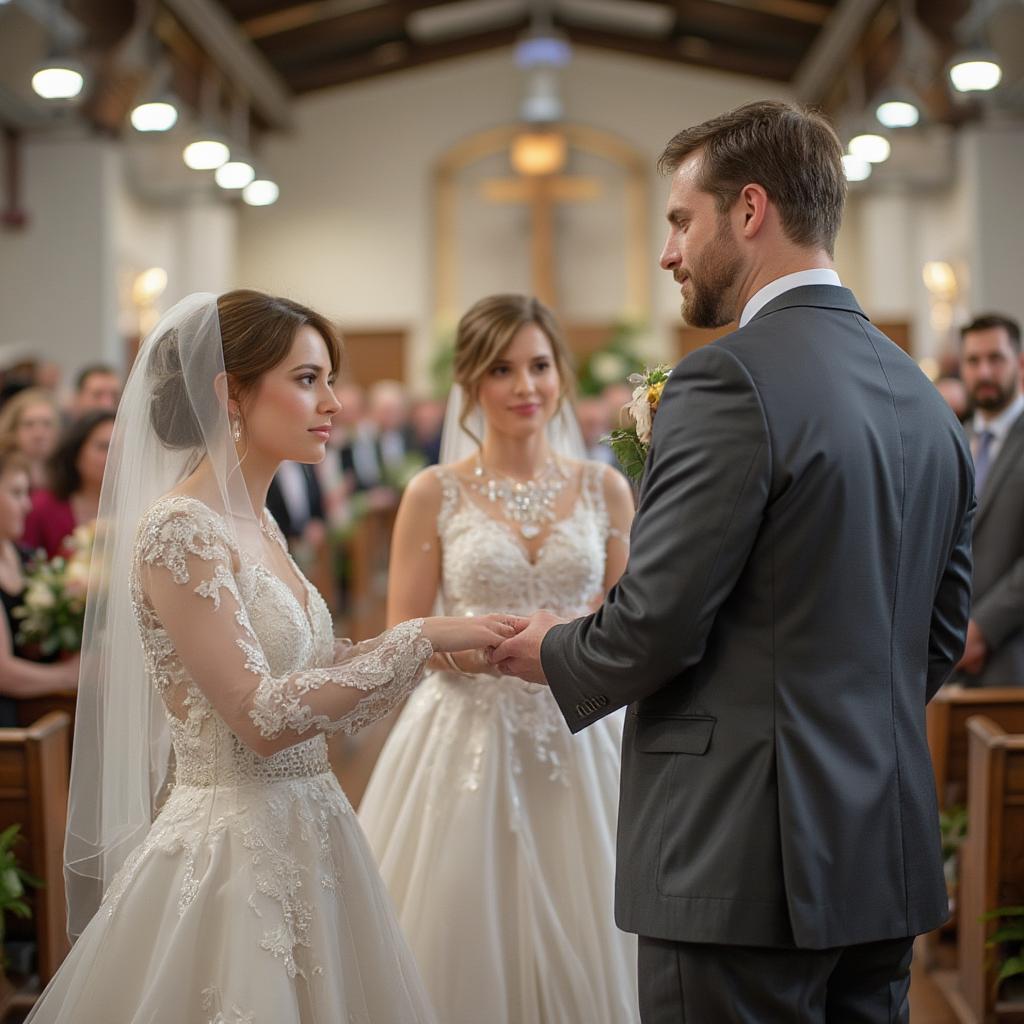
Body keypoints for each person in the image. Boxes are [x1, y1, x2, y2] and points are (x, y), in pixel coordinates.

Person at [492, 100, 974, 1023]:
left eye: (681, 220)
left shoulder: (728, 378)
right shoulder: (922, 397)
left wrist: (553, 649)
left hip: (739, 860)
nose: (669, 253)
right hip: (881, 847)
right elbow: (937, 636)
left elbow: (657, 622)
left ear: (750, 211)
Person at [26, 290, 516, 1024]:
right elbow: (259, 714)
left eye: (329, 379)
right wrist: (420, 637)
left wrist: (437, 642)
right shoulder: (180, 531)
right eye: (308, 379)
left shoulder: (255, 523)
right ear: (231, 393)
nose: (333, 403)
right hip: (234, 847)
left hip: (311, 824)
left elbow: (309, 664)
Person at [358, 294, 638, 1024]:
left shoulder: (605, 487)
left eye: (540, 366)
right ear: (471, 383)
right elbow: (405, 630)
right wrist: (491, 655)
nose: (526, 387)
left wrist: (569, 647)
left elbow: (628, 617)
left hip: (585, 729)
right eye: (503, 369)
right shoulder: (434, 491)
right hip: (464, 729)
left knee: (600, 906)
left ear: (562, 374)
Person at [953, 313, 1024, 686]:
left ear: (1019, 362)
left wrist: (981, 629)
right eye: (973, 361)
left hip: (1011, 657)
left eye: (995, 359)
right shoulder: (954, 440)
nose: (983, 372)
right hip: (947, 659)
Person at [0, 442, 79, 727]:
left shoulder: (26, 557)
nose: (27, 505)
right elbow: (3, 673)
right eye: (16, 493)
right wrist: (69, 675)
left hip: (37, 709)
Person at [22, 410, 114, 558]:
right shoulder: (42, 507)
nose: (112, 457)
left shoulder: (137, 510)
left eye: (119, 449)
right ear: (76, 452)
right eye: (103, 447)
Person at [0, 387, 61, 491]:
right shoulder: (3, 470)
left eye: (47, 424)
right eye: (29, 424)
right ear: (13, 430)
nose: (39, 433)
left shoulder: (65, 471)